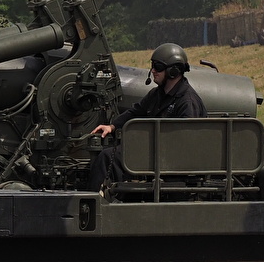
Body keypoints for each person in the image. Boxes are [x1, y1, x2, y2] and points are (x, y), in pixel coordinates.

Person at [87, 44, 207, 189]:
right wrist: (112, 126)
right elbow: (135, 111)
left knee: (107, 158)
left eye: (158, 67)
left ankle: (96, 203)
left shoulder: (187, 101)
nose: (153, 71)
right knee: (108, 152)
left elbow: (185, 142)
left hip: (166, 158)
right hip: (153, 151)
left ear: (173, 71)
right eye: (153, 66)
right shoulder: (157, 94)